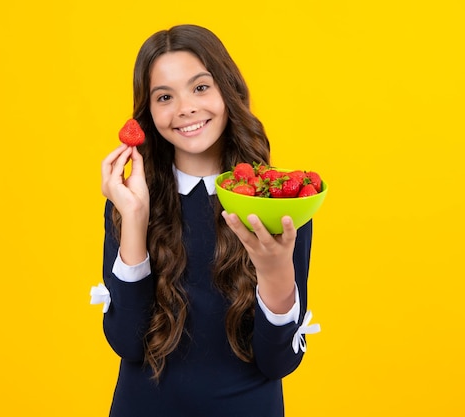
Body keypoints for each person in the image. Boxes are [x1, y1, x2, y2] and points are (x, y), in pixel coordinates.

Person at [95, 24, 320, 417]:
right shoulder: (131, 199)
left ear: (227, 89)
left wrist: (274, 271)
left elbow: (278, 362)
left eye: (200, 87)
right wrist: (133, 219)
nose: (185, 108)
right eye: (165, 96)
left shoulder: (281, 199)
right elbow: (126, 344)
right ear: (149, 111)